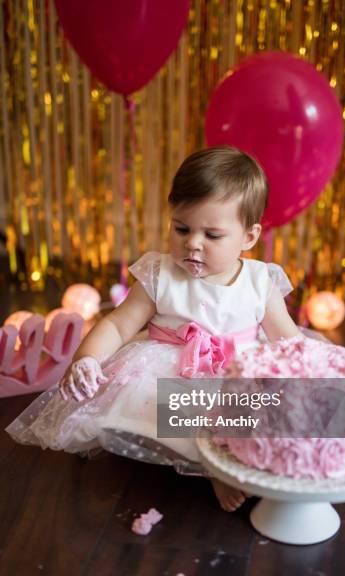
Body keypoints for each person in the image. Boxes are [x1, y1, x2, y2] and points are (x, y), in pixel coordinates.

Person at [6, 145, 301, 512]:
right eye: (182, 228)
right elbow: (117, 323)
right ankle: (216, 470)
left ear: (249, 237)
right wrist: (86, 359)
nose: (192, 243)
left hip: (235, 371)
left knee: (257, 412)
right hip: (169, 368)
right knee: (176, 412)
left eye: (212, 235)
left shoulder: (260, 281)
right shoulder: (161, 273)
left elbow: (288, 339)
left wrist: (306, 376)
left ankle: (235, 460)